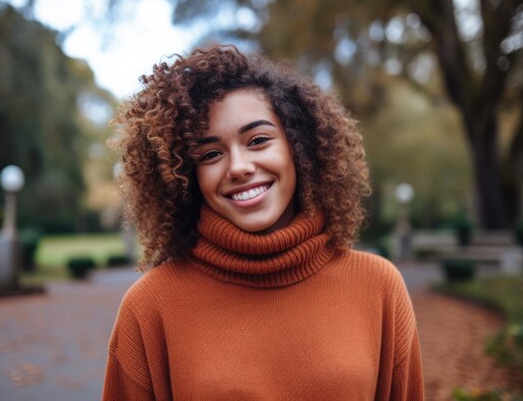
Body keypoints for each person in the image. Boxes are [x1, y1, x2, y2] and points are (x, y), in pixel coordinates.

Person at [102, 45, 424, 400]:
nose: (238, 167)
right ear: (187, 174)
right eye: (210, 154)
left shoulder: (378, 288)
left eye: (258, 140)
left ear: (298, 147)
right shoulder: (151, 307)